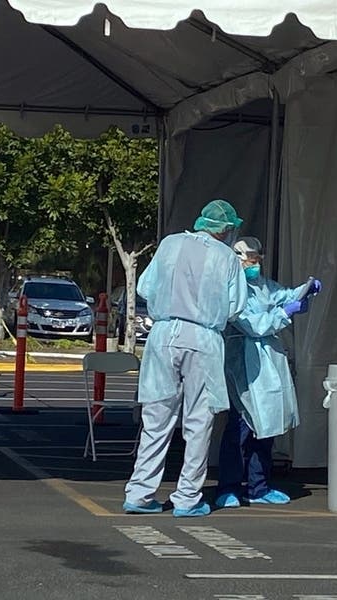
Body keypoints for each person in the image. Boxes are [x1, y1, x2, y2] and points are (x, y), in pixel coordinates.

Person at [123, 199, 248, 518]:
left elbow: (145, 287)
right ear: (226, 230)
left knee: (157, 416)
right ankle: (188, 496)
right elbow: (235, 306)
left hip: (163, 334)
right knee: (198, 420)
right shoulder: (226, 257)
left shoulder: (169, 244)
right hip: (203, 338)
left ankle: (140, 492)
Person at [215, 236, 322, 507]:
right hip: (244, 364)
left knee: (267, 427)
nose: (256, 265)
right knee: (240, 428)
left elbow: (282, 294)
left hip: (268, 363)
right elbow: (255, 325)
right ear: (238, 259)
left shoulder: (260, 285)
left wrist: (304, 290)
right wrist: (285, 313)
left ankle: (258, 486)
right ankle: (228, 486)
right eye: (251, 260)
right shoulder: (231, 290)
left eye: (258, 260)